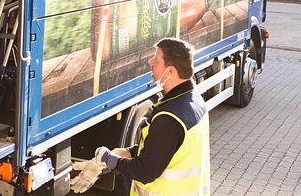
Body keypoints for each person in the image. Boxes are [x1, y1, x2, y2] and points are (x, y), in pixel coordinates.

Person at [71, 37, 211, 195]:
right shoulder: (193, 100)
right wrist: (127, 152)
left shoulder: (170, 117)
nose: (150, 62)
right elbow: (164, 149)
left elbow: (145, 171)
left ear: (171, 71)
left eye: (156, 60)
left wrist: (109, 160)